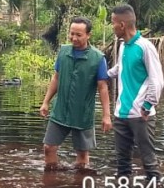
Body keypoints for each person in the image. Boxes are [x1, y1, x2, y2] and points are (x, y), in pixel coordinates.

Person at [39, 16, 113, 171]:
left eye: (79, 35)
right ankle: (51, 183)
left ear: (88, 35)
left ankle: (79, 187)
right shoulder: (63, 52)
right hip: (60, 111)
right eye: (72, 34)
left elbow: (103, 87)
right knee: (49, 147)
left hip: (82, 114)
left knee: (82, 155)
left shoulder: (98, 58)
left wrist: (106, 115)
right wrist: (46, 101)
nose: (74, 38)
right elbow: (56, 77)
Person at [108, 4, 164, 179]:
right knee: (122, 164)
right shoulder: (124, 46)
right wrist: (105, 74)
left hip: (141, 115)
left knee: (148, 162)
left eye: (113, 23)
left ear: (122, 25)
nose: (112, 27)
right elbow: (121, 67)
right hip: (121, 114)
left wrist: (147, 106)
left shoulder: (145, 47)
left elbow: (157, 79)